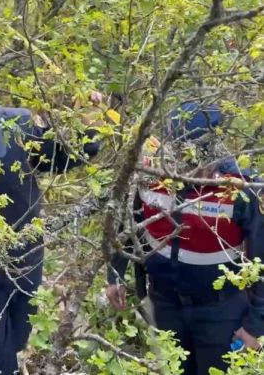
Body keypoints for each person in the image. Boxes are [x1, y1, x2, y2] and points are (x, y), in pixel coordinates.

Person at [0, 89, 101, 375]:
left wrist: (88, 124)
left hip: (25, 263)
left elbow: (67, 155)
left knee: (17, 340)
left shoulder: (18, 130)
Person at [105, 102, 264, 375]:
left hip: (220, 312)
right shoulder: (150, 175)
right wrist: (115, 275)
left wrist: (255, 327)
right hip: (164, 304)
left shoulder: (241, 189)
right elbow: (129, 227)